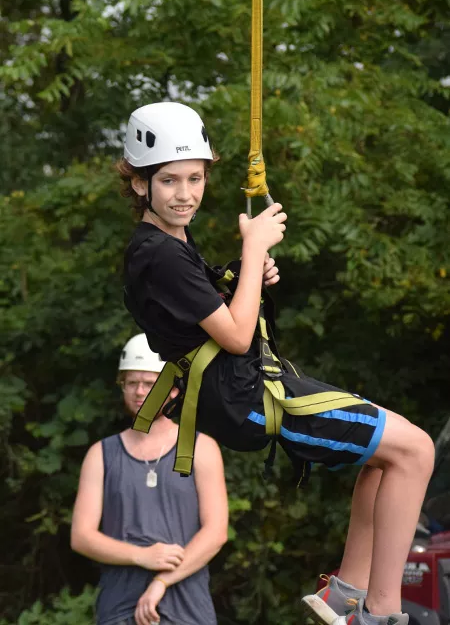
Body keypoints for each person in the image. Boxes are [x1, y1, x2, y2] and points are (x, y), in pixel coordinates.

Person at [118, 101, 435, 625]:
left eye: (195, 178)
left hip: (244, 391)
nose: (185, 194)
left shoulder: (168, 242)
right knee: (417, 451)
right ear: (139, 185)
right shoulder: (160, 253)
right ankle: (381, 612)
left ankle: (348, 594)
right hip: (249, 396)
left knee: (390, 456)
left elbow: (206, 313)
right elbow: (238, 335)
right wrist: (256, 241)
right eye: (169, 181)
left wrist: (245, 270)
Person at [71, 333, 228, 625]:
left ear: (172, 390)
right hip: (119, 611)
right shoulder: (101, 455)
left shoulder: (201, 448)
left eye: (149, 383)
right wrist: (140, 555)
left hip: (188, 611)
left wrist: (161, 582)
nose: (140, 391)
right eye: (131, 383)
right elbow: (82, 537)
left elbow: (216, 532)